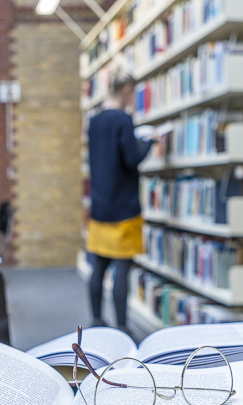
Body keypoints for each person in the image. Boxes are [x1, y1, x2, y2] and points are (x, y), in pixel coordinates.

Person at [86, 74, 154, 331]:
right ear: (126, 90)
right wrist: (148, 143)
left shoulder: (94, 121)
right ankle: (122, 327)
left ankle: (95, 319)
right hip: (124, 208)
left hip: (100, 206)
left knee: (99, 267)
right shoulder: (123, 120)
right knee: (122, 270)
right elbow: (131, 159)